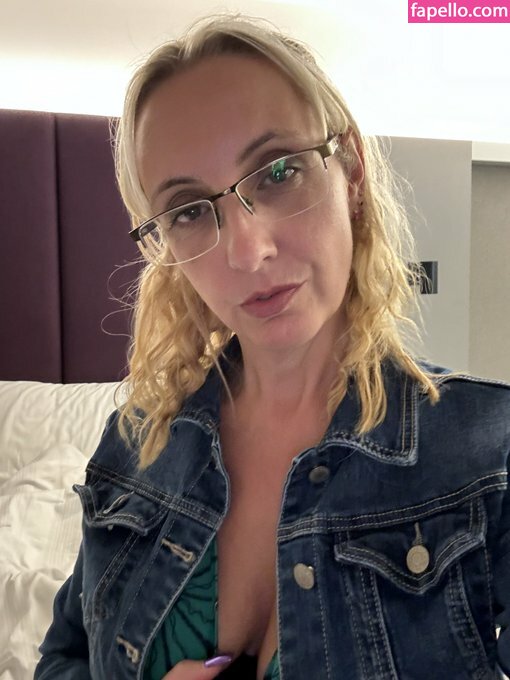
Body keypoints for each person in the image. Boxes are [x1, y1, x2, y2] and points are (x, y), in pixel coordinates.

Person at [35, 13, 510, 680]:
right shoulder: (137, 446)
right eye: (189, 210)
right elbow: (63, 659)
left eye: (278, 171)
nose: (248, 251)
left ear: (350, 171)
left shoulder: (486, 454)